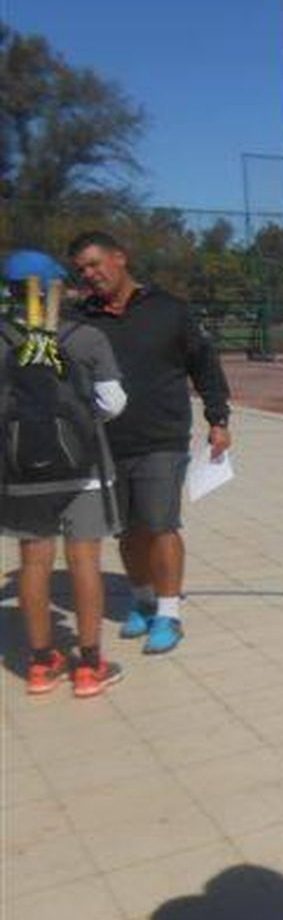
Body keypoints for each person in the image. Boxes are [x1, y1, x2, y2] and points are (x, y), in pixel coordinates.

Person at [68, 231, 231, 654]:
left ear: (119, 258)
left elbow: (204, 363)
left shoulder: (169, 310)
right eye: (81, 269)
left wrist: (218, 418)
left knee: (160, 525)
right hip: (104, 442)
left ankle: (169, 613)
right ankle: (142, 600)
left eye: (94, 263)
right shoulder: (80, 319)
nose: (90, 274)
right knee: (127, 531)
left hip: (162, 436)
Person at [1, 250, 128, 697]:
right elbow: (113, 403)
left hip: (20, 471)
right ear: (55, 286)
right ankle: (90, 664)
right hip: (84, 469)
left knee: (33, 562)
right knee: (85, 562)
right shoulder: (85, 336)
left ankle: (40, 663)